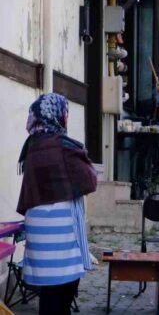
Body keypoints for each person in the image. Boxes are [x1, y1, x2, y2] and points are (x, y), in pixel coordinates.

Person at [16, 93, 97, 315]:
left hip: (38, 227)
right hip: (61, 230)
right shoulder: (62, 144)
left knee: (49, 294)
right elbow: (89, 180)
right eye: (66, 113)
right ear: (59, 115)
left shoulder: (32, 145)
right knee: (64, 291)